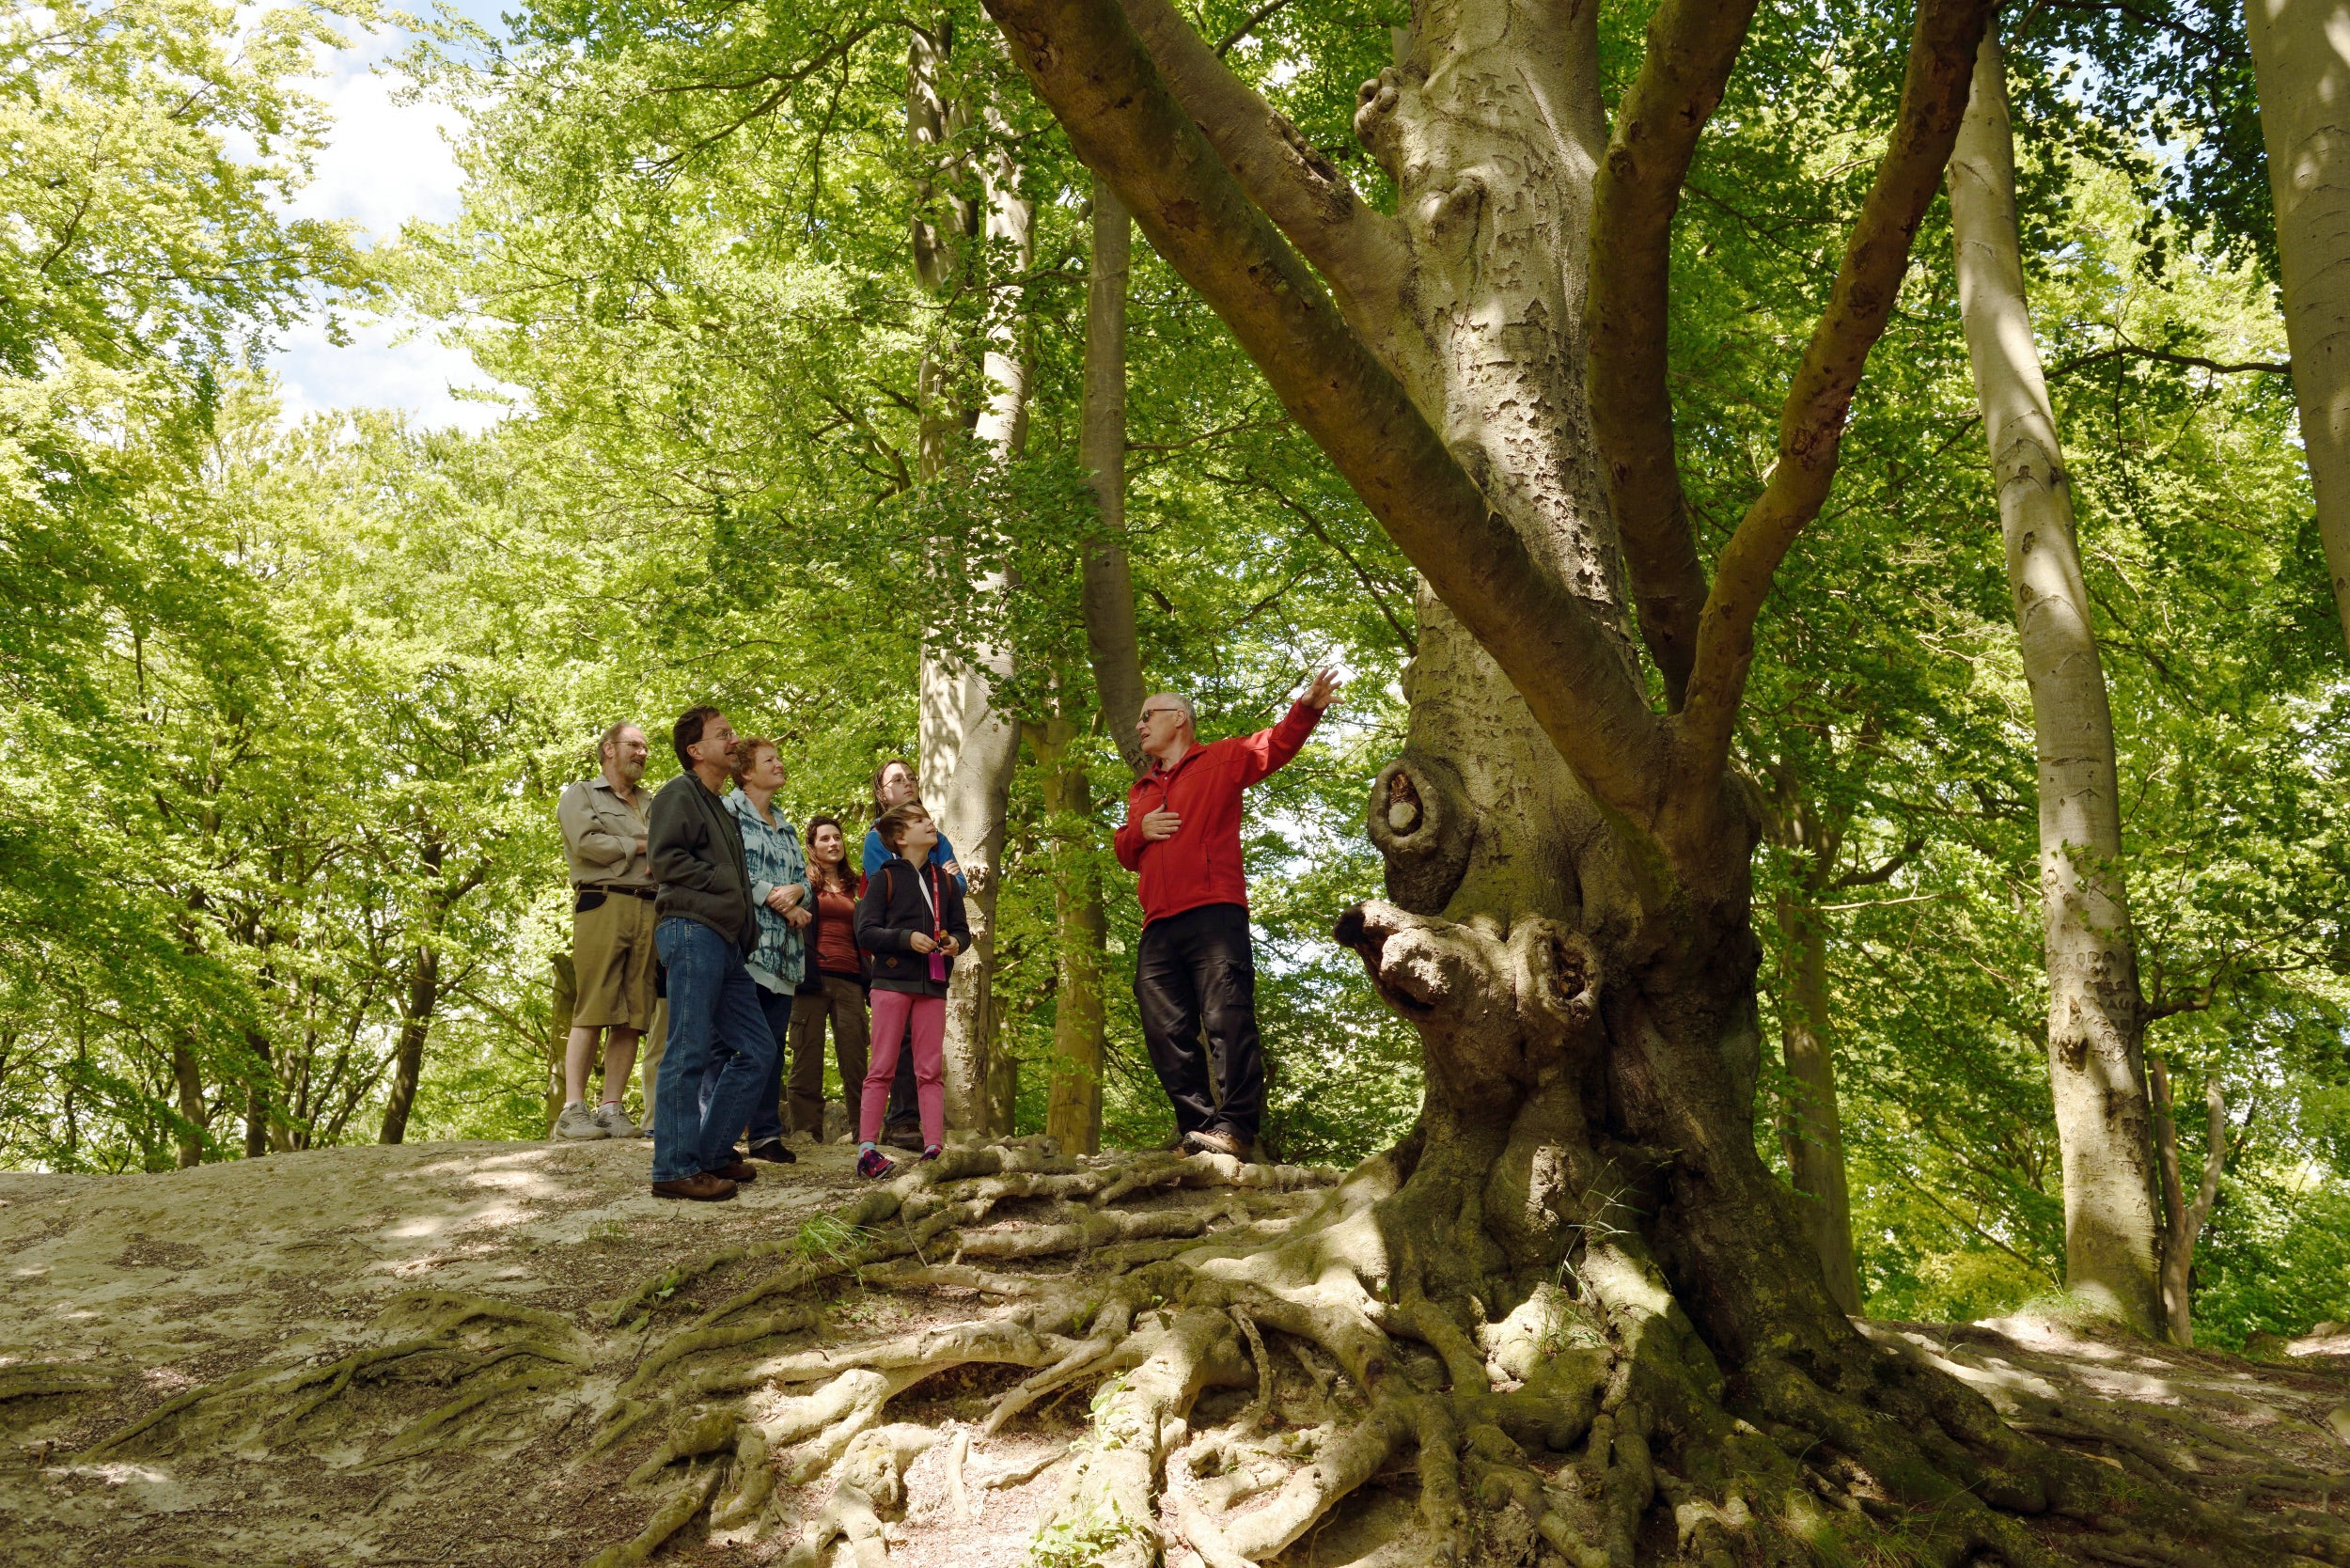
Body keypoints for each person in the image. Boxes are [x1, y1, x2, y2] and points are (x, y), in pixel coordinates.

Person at [1114, 671, 1343, 1158]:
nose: (1139, 726)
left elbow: (1275, 745)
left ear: (1179, 719)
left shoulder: (1220, 758)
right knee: (1164, 1029)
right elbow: (1125, 850)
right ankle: (1197, 1130)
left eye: (1146, 716)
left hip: (1214, 914)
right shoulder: (1141, 790)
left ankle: (1236, 1128)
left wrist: (1307, 708)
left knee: (1227, 1019)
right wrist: (1140, 831)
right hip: (1157, 923)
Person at [645, 705, 776, 1201]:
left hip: (725, 941)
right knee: (689, 1047)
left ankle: (712, 1151)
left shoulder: (720, 807)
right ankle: (673, 1169)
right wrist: (728, 888)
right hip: (690, 931)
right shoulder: (678, 794)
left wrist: (743, 926)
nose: (733, 739)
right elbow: (666, 861)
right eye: (723, 734)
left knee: (758, 1048)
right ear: (695, 750)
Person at [854, 802, 971, 1178]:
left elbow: (962, 930)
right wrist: (906, 938)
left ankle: (934, 1146)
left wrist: (955, 942)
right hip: (890, 982)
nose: (930, 823)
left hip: (932, 985)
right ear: (900, 838)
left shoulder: (948, 882)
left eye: (929, 818)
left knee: (929, 1069)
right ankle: (867, 1151)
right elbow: (865, 932)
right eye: (920, 821)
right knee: (882, 1066)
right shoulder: (884, 879)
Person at [553, 722, 654, 1140]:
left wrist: (633, 842)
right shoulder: (580, 794)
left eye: (646, 747)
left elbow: (674, 847)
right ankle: (572, 1109)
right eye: (634, 745)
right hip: (602, 901)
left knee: (634, 1012)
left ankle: (612, 1107)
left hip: (650, 906)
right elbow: (586, 844)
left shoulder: (654, 801)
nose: (643, 753)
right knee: (593, 1004)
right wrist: (642, 845)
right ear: (608, 749)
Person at [721, 737, 810, 1166]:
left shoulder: (787, 824)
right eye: (769, 760)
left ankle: (765, 1136)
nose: (779, 764)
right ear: (745, 772)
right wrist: (774, 896)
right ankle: (718, 1138)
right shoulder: (728, 812)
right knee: (733, 1046)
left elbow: (804, 881)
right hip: (746, 949)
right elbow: (728, 869)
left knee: (772, 1046)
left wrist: (799, 894)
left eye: (779, 758)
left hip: (785, 956)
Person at [788, 815, 870, 1139]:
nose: (833, 843)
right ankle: (806, 1131)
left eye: (837, 837)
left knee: (855, 1060)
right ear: (811, 846)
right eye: (824, 838)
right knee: (806, 1057)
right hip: (810, 979)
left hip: (851, 979)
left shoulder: (859, 886)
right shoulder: (803, 883)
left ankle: (864, 1131)